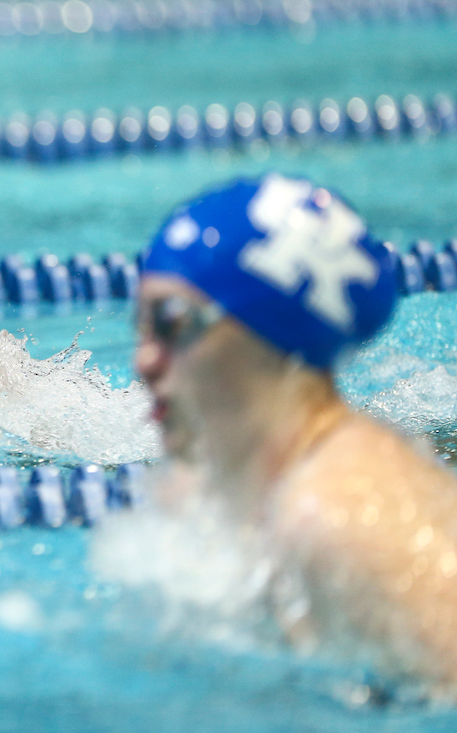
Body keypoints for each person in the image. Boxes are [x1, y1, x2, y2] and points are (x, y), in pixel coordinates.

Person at [131, 173, 457, 695]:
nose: (143, 359)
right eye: (141, 324)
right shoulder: (220, 484)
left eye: (173, 323)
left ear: (272, 331)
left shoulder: (344, 516)